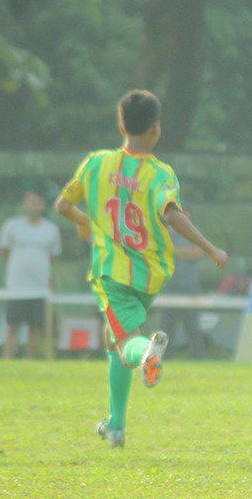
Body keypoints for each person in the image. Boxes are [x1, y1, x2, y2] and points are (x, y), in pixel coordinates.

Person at [55, 89, 228, 449]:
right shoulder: (160, 174)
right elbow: (172, 216)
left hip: (112, 274)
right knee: (112, 337)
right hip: (149, 275)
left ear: (121, 126)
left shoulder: (96, 164)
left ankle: (146, 353)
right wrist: (209, 248)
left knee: (125, 345)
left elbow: (62, 205)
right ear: (156, 130)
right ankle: (115, 426)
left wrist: (84, 221)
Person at [0, 189, 62, 359]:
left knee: (35, 327)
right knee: (13, 326)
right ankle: (7, 361)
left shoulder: (51, 229)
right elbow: (5, 252)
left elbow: (53, 256)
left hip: (40, 288)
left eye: (38, 202)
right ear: (24, 205)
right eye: (31, 202)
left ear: (43, 206)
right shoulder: (11, 226)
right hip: (16, 288)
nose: (35, 206)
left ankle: (30, 362)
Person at [160, 214, 207, 360]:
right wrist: (186, 252)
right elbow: (160, 252)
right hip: (169, 287)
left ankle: (198, 357)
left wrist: (175, 252)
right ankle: (165, 357)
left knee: (192, 325)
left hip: (191, 287)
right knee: (167, 326)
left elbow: (198, 252)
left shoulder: (194, 233)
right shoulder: (162, 233)